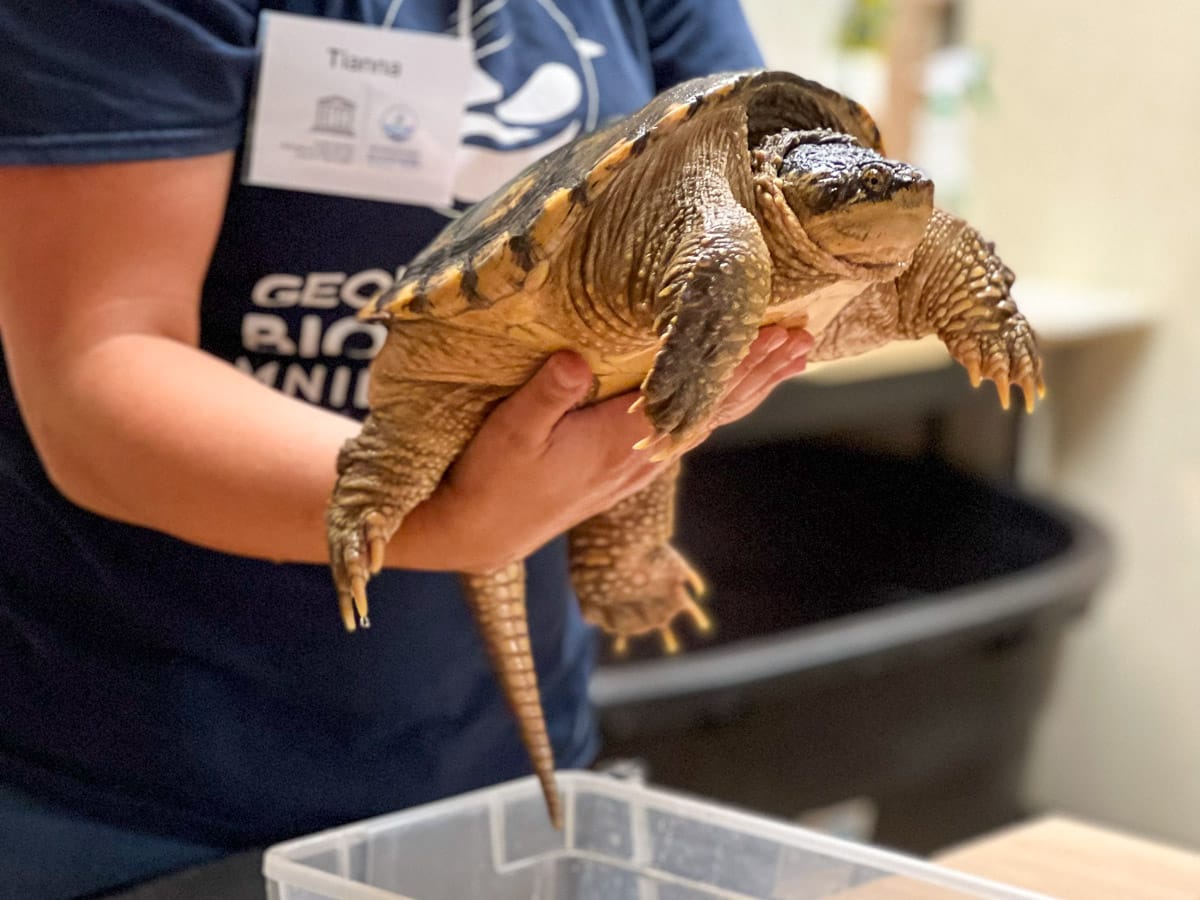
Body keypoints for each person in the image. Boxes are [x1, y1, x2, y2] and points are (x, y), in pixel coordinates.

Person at [0, 1, 812, 895]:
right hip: (148, 777)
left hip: (492, 756)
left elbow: (752, 202)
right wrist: (445, 517)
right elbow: (100, 363)